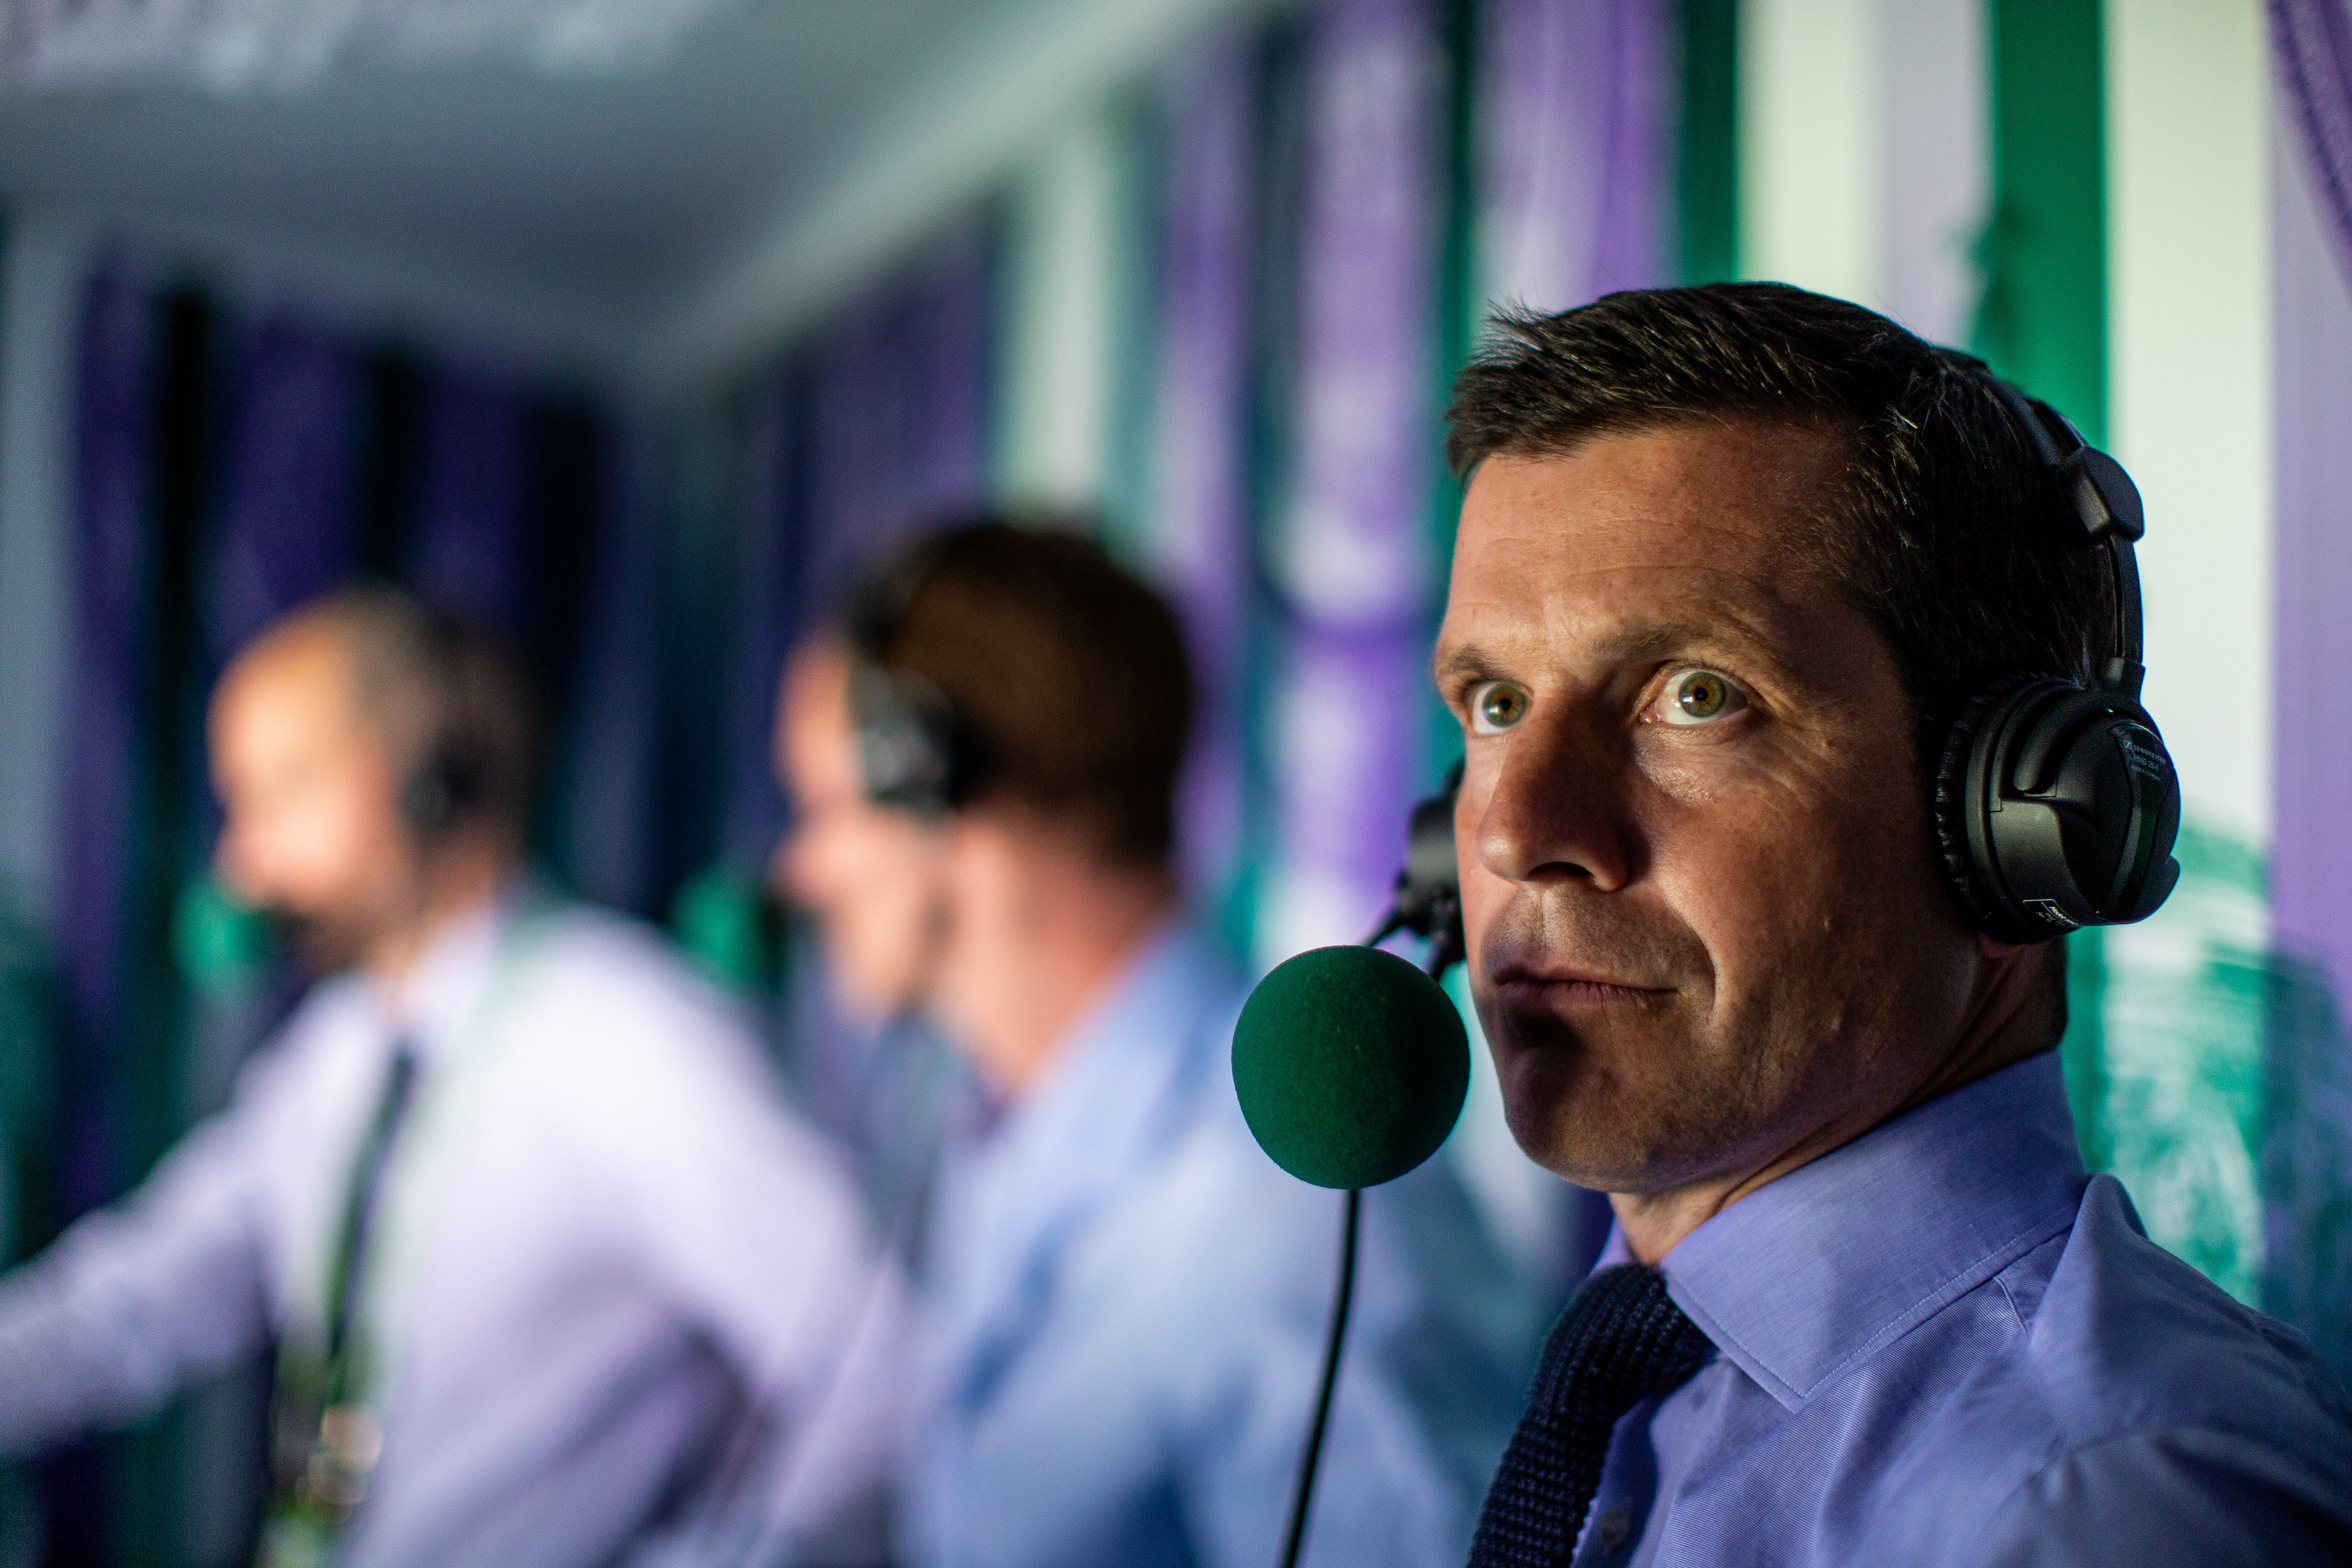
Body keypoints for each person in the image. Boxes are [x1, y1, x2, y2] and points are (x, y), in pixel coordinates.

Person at [1434, 283, 2352, 1566]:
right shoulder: (1640, 1386)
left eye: (1696, 695)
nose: (1513, 831)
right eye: (1493, 704)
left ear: (2018, 821)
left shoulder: (2099, 1508)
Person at [0, 588, 901, 1568]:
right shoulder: (339, 1052)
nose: (239, 860)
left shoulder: (628, 1035)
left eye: (281, 794)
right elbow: (136, 1305)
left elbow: (873, 1362)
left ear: (431, 785)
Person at [773, 521, 1537, 1568]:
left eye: (822, 809)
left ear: (933, 782)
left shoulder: (1290, 1201)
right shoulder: (1002, 1142)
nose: (797, 873)